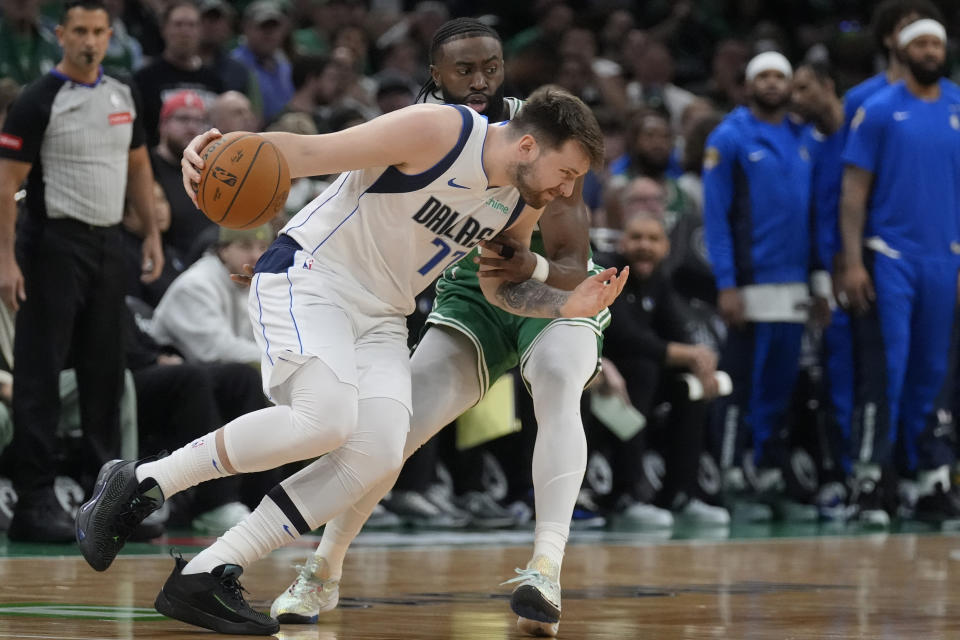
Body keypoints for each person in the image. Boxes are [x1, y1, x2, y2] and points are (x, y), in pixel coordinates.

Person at [75, 80, 621, 637]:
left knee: (379, 454)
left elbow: (500, 288)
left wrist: (564, 303)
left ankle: (207, 572)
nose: (567, 189)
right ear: (529, 147)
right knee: (326, 419)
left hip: (383, 314)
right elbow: (308, 152)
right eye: (567, 172)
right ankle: (142, 480)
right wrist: (214, 150)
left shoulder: (516, 200)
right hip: (313, 277)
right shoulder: (441, 130)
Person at [269, 18, 614, 637]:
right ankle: (323, 570)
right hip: (470, 295)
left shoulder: (543, 131)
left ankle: (546, 569)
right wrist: (288, 261)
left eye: (491, 68)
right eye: (465, 70)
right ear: (435, 75)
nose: (480, 81)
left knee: (559, 384)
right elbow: (348, 207)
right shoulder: (421, 127)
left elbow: (565, 261)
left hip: (553, 286)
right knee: (391, 434)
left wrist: (528, 263)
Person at [0, 0, 163, 543]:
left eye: (98, 31)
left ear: (110, 35)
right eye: (80, 32)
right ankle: (34, 500)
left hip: (109, 243)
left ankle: (107, 504)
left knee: (104, 373)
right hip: (52, 243)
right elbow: (5, 186)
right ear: (61, 36)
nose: (90, 41)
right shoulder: (37, 98)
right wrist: (6, 260)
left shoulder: (122, 92)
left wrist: (152, 232)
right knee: (40, 374)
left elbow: (138, 164)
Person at [837, 18, 960, 524]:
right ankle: (870, 481)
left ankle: (928, 477)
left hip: (944, 258)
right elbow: (852, 194)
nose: (931, 51)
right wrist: (850, 261)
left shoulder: (958, 105)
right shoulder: (880, 109)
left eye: (938, 43)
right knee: (887, 370)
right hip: (889, 257)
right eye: (922, 43)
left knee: (935, 372)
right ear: (903, 50)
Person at [702, 51, 822, 521]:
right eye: (764, 76)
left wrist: (819, 281)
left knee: (780, 384)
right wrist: (727, 284)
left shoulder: (803, 137)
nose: (772, 83)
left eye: (780, 76)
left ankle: (769, 472)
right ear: (748, 84)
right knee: (741, 385)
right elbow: (717, 219)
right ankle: (731, 474)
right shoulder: (730, 138)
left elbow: (812, 215)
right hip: (750, 284)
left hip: (794, 285)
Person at [597, 198, 730, 526]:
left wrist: (700, 361)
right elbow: (625, 337)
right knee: (643, 368)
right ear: (623, 242)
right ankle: (627, 495)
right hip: (600, 380)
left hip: (639, 382)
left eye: (653, 239)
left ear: (667, 247)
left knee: (689, 386)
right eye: (637, 238)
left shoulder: (660, 281)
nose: (645, 246)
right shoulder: (608, 272)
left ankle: (680, 494)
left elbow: (679, 331)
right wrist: (691, 354)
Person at [789, 61, 861, 521]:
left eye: (804, 88)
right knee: (837, 383)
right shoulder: (808, 149)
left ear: (829, 85)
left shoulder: (863, 134)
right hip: (832, 282)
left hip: (874, 272)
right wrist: (822, 282)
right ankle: (842, 475)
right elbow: (814, 223)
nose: (796, 98)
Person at [843, 0, 942, 130]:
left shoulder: (954, 98)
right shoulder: (859, 99)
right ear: (887, 37)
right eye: (907, 28)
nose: (917, 34)